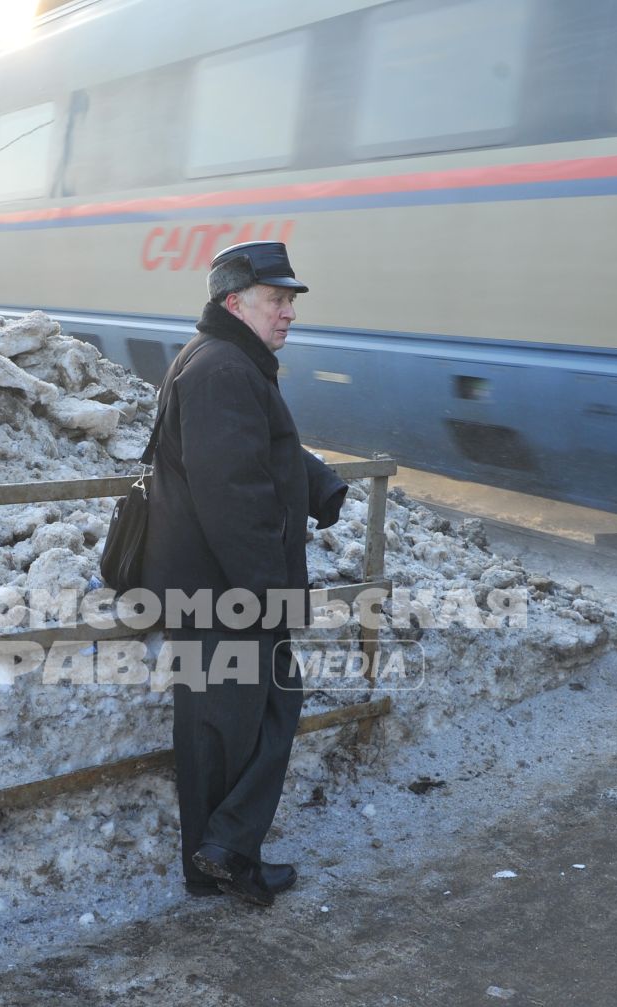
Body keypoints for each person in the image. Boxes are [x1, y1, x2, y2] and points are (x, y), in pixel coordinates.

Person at [141, 240, 348, 907]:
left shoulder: (232, 363)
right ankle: (228, 849)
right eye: (276, 301)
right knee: (256, 719)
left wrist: (317, 484)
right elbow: (232, 493)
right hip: (228, 591)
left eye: (290, 301)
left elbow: (257, 449)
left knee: (220, 731)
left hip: (216, 588)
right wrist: (270, 594)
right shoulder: (223, 370)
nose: (288, 313)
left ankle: (215, 860)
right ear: (235, 302)